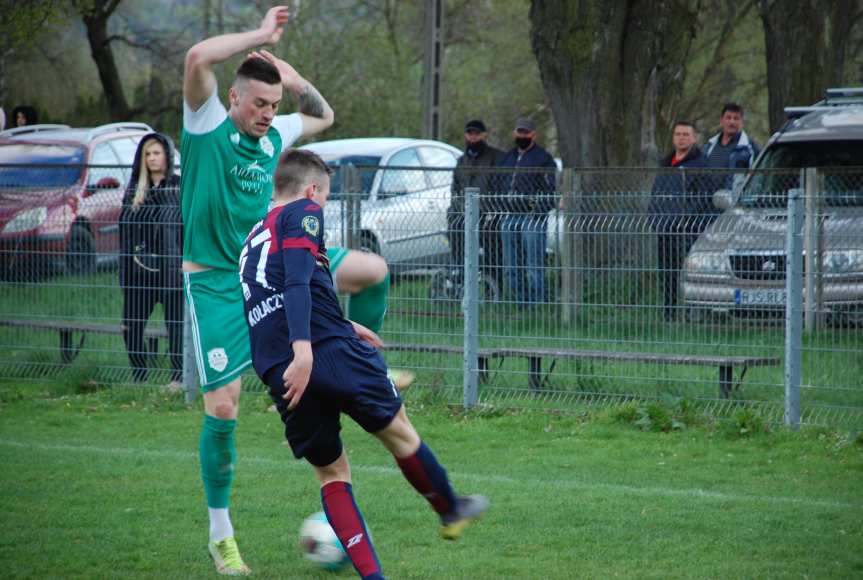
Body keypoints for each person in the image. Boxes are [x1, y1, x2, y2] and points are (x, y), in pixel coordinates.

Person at [241, 149, 489, 580]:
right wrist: (307, 347)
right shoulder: (303, 211)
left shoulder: (252, 240)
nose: (320, 207)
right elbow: (298, 280)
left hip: (280, 368)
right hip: (319, 351)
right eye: (324, 198)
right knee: (400, 431)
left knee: (332, 472)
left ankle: (374, 578)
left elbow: (278, 299)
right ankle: (450, 509)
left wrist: (343, 323)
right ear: (312, 190)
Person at [180, 6, 335, 575]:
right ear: (235, 99)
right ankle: (221, 536)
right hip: (214, 284)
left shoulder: (278, 134)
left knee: (365, 270)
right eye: (260, 104)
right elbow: (198, 58)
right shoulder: (205, 125)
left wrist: (295, 82)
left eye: (274, 106)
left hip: (261, 274)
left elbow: (323, 114)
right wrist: (262, 37)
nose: (269, 115)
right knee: (223, 406)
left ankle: (360, 363)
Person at [118, 133, 183, 386]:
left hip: (171, 271)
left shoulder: (179, 187)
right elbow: (125, 232)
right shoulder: (134, 190)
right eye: (147, 154)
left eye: (157, 153)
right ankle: (140, 376)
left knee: (177, 329)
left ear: (167, 155)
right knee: (130, 328)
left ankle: (177, 379)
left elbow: (188, 228)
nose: (152, 158)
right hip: (139, 272)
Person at [648, 121, 709, 321]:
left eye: (685, 134)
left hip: (687, 230)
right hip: (665, 228)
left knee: (689, 271)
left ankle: (693, 312)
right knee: (667, 272)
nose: (681, 138)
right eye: (678, 134)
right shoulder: (666, 164)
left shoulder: (701, 164)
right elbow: (656, 193)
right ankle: (669, 312)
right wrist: (655, 218)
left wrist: (683, 219)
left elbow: (702, 198)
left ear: (693, 138)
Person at [495, 117, 557, 305]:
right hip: (510, 216)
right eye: (519, 132)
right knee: (511, 266)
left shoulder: (543, 158)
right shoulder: (508, 158)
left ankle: (538, 304)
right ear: (514, 133)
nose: (522, 135)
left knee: (533, 264)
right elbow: (498, 183)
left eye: (526, 132)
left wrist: (537, 210)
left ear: (533, 135)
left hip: (533, 218)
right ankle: (520, 302)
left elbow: (550, 189)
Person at [448, 119, 506, 274]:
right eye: (469, 133)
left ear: (484, 135)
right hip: (464, 215)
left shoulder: (498, 158)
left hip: (489, 217)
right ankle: (459, 277)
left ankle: (492, 291)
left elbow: (503, 187)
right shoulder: (461, 161)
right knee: (456, 234)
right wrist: (461, 210)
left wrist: (490, 210)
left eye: (477, 134)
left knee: (493, 256)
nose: (473, 137)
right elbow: (455, 190)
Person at [703, 103, 760, 191]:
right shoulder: (709, 146)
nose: (732, 122)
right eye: (728, 117)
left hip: (734, 201)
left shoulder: (750, 148)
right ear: (721, 121)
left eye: (736, 118)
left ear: (742, 122)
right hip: (707, 200)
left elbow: (757, 178)